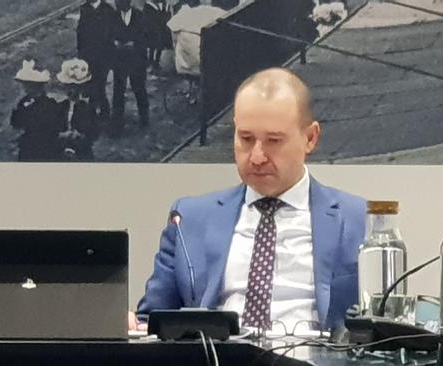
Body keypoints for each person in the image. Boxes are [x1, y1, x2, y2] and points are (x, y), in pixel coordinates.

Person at [132, 67, 365, 333]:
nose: (256, 156)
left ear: (310, 138)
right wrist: (133, 325)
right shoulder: (189, 218)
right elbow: (151, 321)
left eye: (273, 141)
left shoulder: (357, 219)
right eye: (246, 138)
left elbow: (381, 327)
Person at [10, 60, 64, 162]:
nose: (24, 87)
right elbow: (15, 123)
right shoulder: (23, 102)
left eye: (27, 84)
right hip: (28, 148)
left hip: (46, 149)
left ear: (35, 86)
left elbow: (52, 127)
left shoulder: (50, 104)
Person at [111, 0, 150, 135]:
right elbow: (109, 35)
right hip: (120, 61)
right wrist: (115, 44)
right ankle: (117, 124)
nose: (119, 4)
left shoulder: (139, 16)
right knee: (118, 92)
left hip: (136, 61)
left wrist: (134, 44)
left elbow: (145, 36)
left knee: (139, 89)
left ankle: (144, 119)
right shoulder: (113, 16)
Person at [76, 0, 116, 119]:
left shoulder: (108, 10)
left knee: (99, 85)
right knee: (92, 84)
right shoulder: (84, 8)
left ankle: (102, 112)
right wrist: (80, 52)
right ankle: (96, 112)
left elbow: (111, 34)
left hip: (103, 57)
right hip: (88, 56)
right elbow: (81, 32)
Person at [56, 58, 100, 161]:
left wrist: (81, 135)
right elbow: (53, 127)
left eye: (76, 87)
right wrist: (61, 134)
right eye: (69, 86)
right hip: (61, 148)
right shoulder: (61, 106)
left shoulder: (87, 108)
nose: (72, 90)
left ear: (82, 88)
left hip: (82, 150)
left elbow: (94, 131)